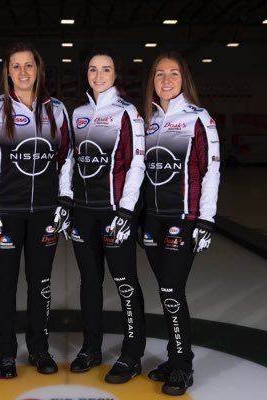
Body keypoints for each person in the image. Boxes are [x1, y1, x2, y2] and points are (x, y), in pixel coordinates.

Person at [0, 42, 73, 379]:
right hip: (6, 212)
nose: (23, 72)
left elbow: (67, 159)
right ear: (7, 71)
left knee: (40, 285)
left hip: (45, 212)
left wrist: (64, 199)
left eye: (28, 65)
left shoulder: (56, 109)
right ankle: (5, 355)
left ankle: (39, 349)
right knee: (4, 285)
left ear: (38, 68)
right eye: (15, 66)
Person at [142, 51, 220, 396]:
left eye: (173, 73)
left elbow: (211, 170)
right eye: (160, 74)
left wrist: (206, 218)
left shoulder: (198, 118)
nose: (166, 80)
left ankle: (184, 366)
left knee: (172, 291)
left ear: (184, 78)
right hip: (150, 220)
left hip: (183, 219)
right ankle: (175, 356)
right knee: (166, 290)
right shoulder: (147, 119)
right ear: (153, 81)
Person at [69, 49, 146, 384]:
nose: (99, 76)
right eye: (93, 70)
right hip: (82, 214)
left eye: (106, 70)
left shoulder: (128, 113)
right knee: (89, 283)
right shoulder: (78, 113)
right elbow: (69, 161)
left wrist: (127, 210)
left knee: (125, 282)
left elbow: (137, 164)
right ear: (86, 74)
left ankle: (132, 354)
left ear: (116, 75)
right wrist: (66, 202)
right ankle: (91, 348)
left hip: (115, 212)